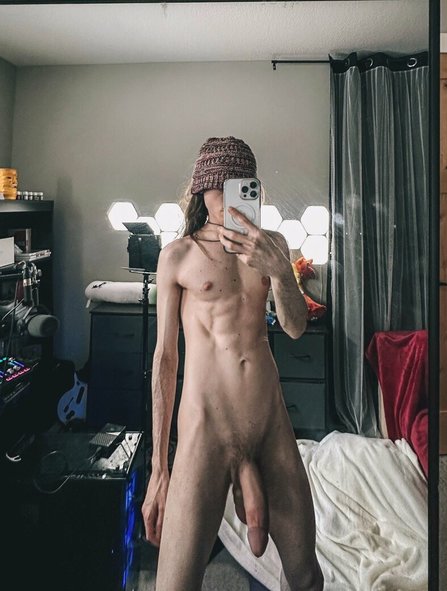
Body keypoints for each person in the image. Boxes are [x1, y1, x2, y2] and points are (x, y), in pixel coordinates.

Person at [142, 136, 324, 591]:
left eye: (240, 183)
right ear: (201, 190)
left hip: (269, 425)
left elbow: (295, 327)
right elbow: (165, 359)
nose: (228, 194)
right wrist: (159, 469)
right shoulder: (178, 255)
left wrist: (280, 270)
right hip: (205, 431)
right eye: (219, 184)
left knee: (306, 577)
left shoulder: (273, 246)